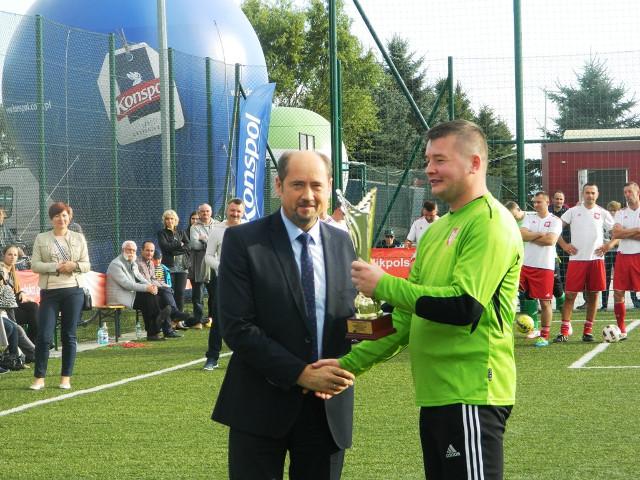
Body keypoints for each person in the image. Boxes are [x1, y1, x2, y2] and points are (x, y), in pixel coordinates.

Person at [317, 120, 522, 480]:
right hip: (436, 396)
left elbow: (463, 306)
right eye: (428, 160)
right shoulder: (436, 230)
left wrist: (384, 286)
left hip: (472, 394)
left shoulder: (490, 223)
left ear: (474, 163)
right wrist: (346, 366)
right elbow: (404, 320)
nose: (429, 168)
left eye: (440, 159)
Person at [212, 150, 357, 480]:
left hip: (327, 409)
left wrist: (373, 326)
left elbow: (349, 318)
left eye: (316, 185)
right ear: (278, 186)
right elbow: (237, 326)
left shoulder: (343, 242)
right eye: (297, 184)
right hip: (259, 406)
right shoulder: (243, 241)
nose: (308, 195)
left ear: (329, 186)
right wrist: (300, 373)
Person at [29, 202, 90, 391]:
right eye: (57, 216)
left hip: (73, 291)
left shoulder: (78, 238)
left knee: (69, 335)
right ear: (51, 219)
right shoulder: (41, 238)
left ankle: (65, 378)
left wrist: (74, 266)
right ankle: (39, 378)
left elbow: (87, 264)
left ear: (69, 218)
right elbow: (35, 265)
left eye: (64, 215)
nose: (61, 219)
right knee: (44, 335)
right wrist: (55, 266)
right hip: (49, 292)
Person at [554, 183, 615, 343]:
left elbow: (617, 233)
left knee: (593, 295)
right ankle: (564, 332)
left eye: (593, 193)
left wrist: (609, 245)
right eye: (587, 192)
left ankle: (587, 331)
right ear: (583, 194)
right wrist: (564, 245)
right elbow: (555, 228)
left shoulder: (603, 213)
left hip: (596, 260)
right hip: (576, 260)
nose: (590, 195)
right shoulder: (573, 211)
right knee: (570, 295)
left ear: (597, 194)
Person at [202, 197, 244, 371]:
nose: (235, 214)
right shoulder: (217, 230)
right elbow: (208, 256)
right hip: (224, 280)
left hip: (245, 281)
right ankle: (212, 357)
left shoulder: (249, 229)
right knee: (219, 318)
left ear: (243, 213)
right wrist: (223, 266)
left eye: (238, 211)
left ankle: (246, 358)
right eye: (232, 210)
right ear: (227, 210)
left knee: (247, 319)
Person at [106, 241, 177, 341]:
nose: (131, 252)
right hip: (119, 297)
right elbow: (126, 284)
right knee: (149, 297)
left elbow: (140, 277)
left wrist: (151, 286)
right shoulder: (116, 264)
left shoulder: (132, 262)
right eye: (129, 250)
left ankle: (155, 329)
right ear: (123, 250)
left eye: (133, 250)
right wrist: (146, 288)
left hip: (130, 294)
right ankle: (156, 327)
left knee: (153, 297)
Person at [518, 192, 562, 347]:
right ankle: (531, 328)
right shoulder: (529, 218)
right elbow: (521, 235)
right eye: (534, 202)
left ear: (547, 202)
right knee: (516, 296)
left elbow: (550, 240)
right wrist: (538, 234)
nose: (535, 204)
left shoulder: (555, 220)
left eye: (539, 202)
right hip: (526, 265)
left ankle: (544, 336)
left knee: (545, 303)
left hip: (544, 267)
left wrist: (531, 236)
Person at [611, 182, 640, 339]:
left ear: (637, 192)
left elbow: (621, 233)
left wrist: (625, 232)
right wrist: (636, 230)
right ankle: (622, 329)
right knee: (618, 292)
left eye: (630, 191)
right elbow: (616, 234)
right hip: (623, 256)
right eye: (625, 192)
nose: (627, 195)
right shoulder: (621, 213)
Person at [136, 241, 186, 334]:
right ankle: (173, 316)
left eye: (152, 251)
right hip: (141, 291)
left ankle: (168, 329)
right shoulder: (137, 263)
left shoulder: (151, 263)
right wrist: (160, 287)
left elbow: (153, 279)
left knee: (166, 294)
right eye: (147, 250)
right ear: (142, 250)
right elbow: (143, 281)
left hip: (151, 289)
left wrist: (165, 286)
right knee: (164, 297)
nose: (150, 253)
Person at [1, 244, 39, 342]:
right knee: (34, 315)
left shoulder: (13, 270)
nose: (12, 257)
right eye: (9, 254)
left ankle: (34, 342)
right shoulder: (2, 270)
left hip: (13, 303)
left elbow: (15, 290)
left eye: (15, 255)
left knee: (34, 307)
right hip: (5, 308)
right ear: (4, 255)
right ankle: (34, 343)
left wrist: (21, 292)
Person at [189, 203, 217, 329]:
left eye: (207, 211)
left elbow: (221, 242)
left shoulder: (218, 225)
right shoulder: (194, 227)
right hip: (199, 264)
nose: (205, 213)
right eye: (202, 211)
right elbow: (195, 245)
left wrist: (205, 240)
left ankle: (212, 318)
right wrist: (212, 243)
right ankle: (198, 320)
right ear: (199, 213)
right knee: (198, 294)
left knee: (215, 293)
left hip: (215, 264)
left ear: (211, 212)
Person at [157, 209, 190, 312]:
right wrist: (179, 244)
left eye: (172, 218)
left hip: (183, 267)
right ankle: (170, 316)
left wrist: (175, 250)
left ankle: (179, 317)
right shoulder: (161, 233)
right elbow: (165, 247)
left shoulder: (181, 232)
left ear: (176, 220)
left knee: (180, 293)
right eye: (167, 219)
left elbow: (188, 246)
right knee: (170, 292)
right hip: (169, 267)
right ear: (164, 220)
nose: (170, 221)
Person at [601, 201, 622, 311]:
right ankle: (604, 304)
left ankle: (624, 301)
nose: (612, 212)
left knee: (620, 278)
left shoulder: (621, 221)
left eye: (615, 210)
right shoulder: (604, 222)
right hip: (607, 252)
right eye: (610, 210)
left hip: (619, 251)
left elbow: (622, 237)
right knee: (606, 278)